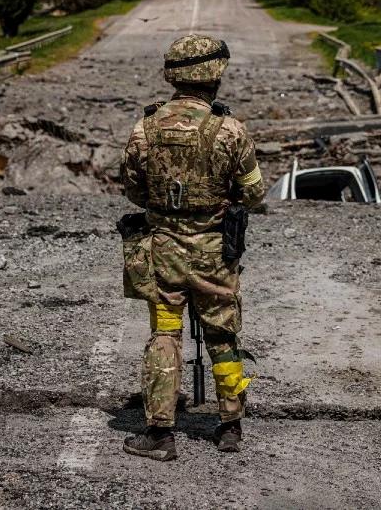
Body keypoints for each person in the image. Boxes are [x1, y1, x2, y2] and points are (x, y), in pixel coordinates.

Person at [118, 33, 266, 461]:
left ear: (173, 76)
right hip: (215, 254)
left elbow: (133, 190)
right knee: (222, 333)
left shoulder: (145, 126)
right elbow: (254, 195)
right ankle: (229, 426)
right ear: (215, 76)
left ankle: (159, 434)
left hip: (162, 251)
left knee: (165, 332)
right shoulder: (230, 129)